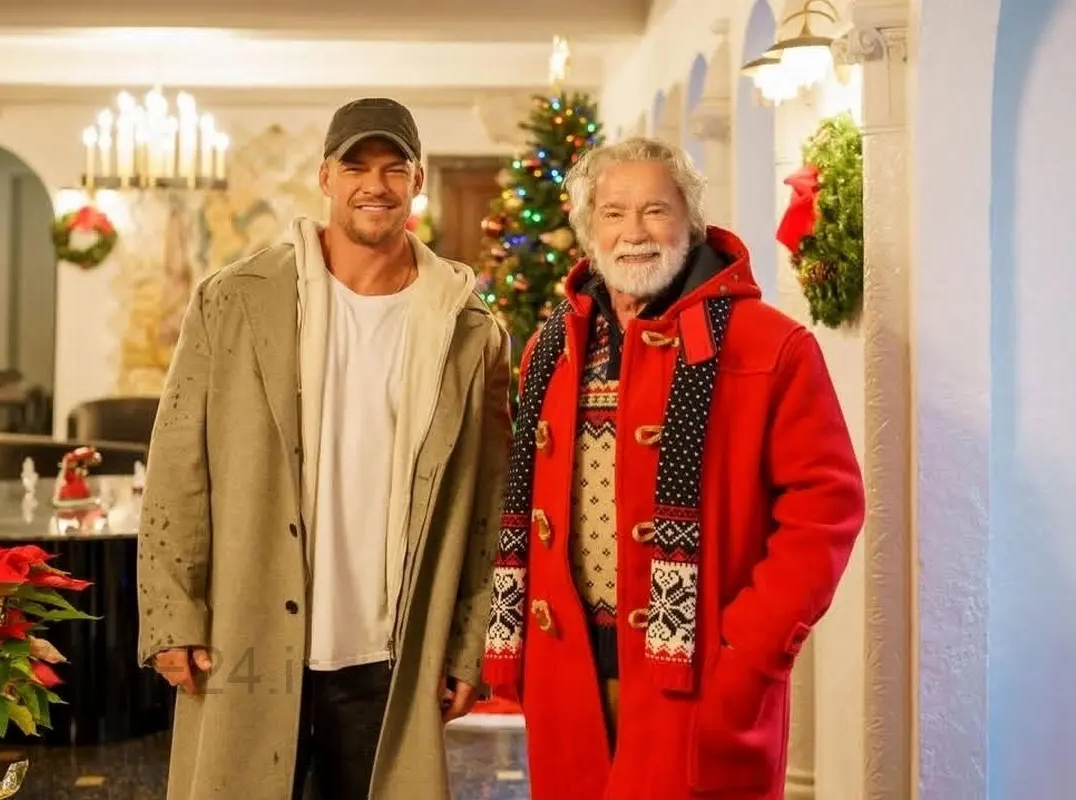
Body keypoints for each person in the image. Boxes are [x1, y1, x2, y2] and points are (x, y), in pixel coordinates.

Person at [137, 97, 512, 800]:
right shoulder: (235, 299)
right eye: (356, 166)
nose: (376, 184)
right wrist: (170, 614)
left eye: (394, 168)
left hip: (391, 650)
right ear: (326, 178)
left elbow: (489, 502)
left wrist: (470, 644)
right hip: (247, 633)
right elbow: (178, 465)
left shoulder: (468, 330)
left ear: (417, 181)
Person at [482, 137, 865, 800]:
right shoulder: (551, 349)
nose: (634, 232)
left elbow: (825, 511)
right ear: (587, 228)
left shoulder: (770, 345)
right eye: (613, 213)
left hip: (699, 683)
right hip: (569, 684)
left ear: (691, 221)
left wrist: (746, 656)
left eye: (655, 210)